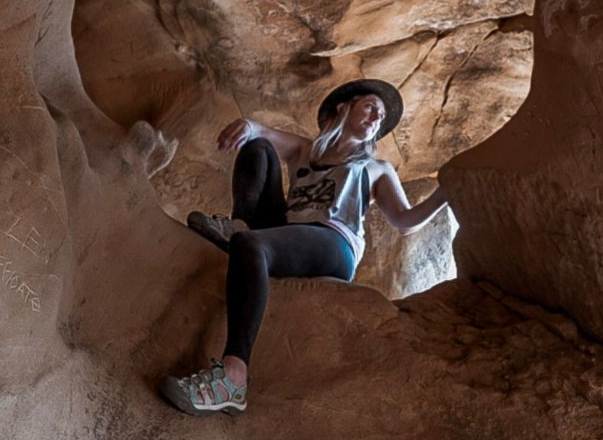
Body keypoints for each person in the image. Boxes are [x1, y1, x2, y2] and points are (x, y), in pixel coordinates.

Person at [160, 79, 448, 417]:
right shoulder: (306, 151)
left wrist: (446, 195)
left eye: (381, 117)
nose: (376, 118)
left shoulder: (376, 169)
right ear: (344, 107)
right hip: (288, 230)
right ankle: (237, 227)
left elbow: (405, 221)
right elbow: (261, 134)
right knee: (259, 147)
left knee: (250, 245)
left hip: (332, 243)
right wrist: (249, 125)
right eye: (370, 106)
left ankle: (233, 378)